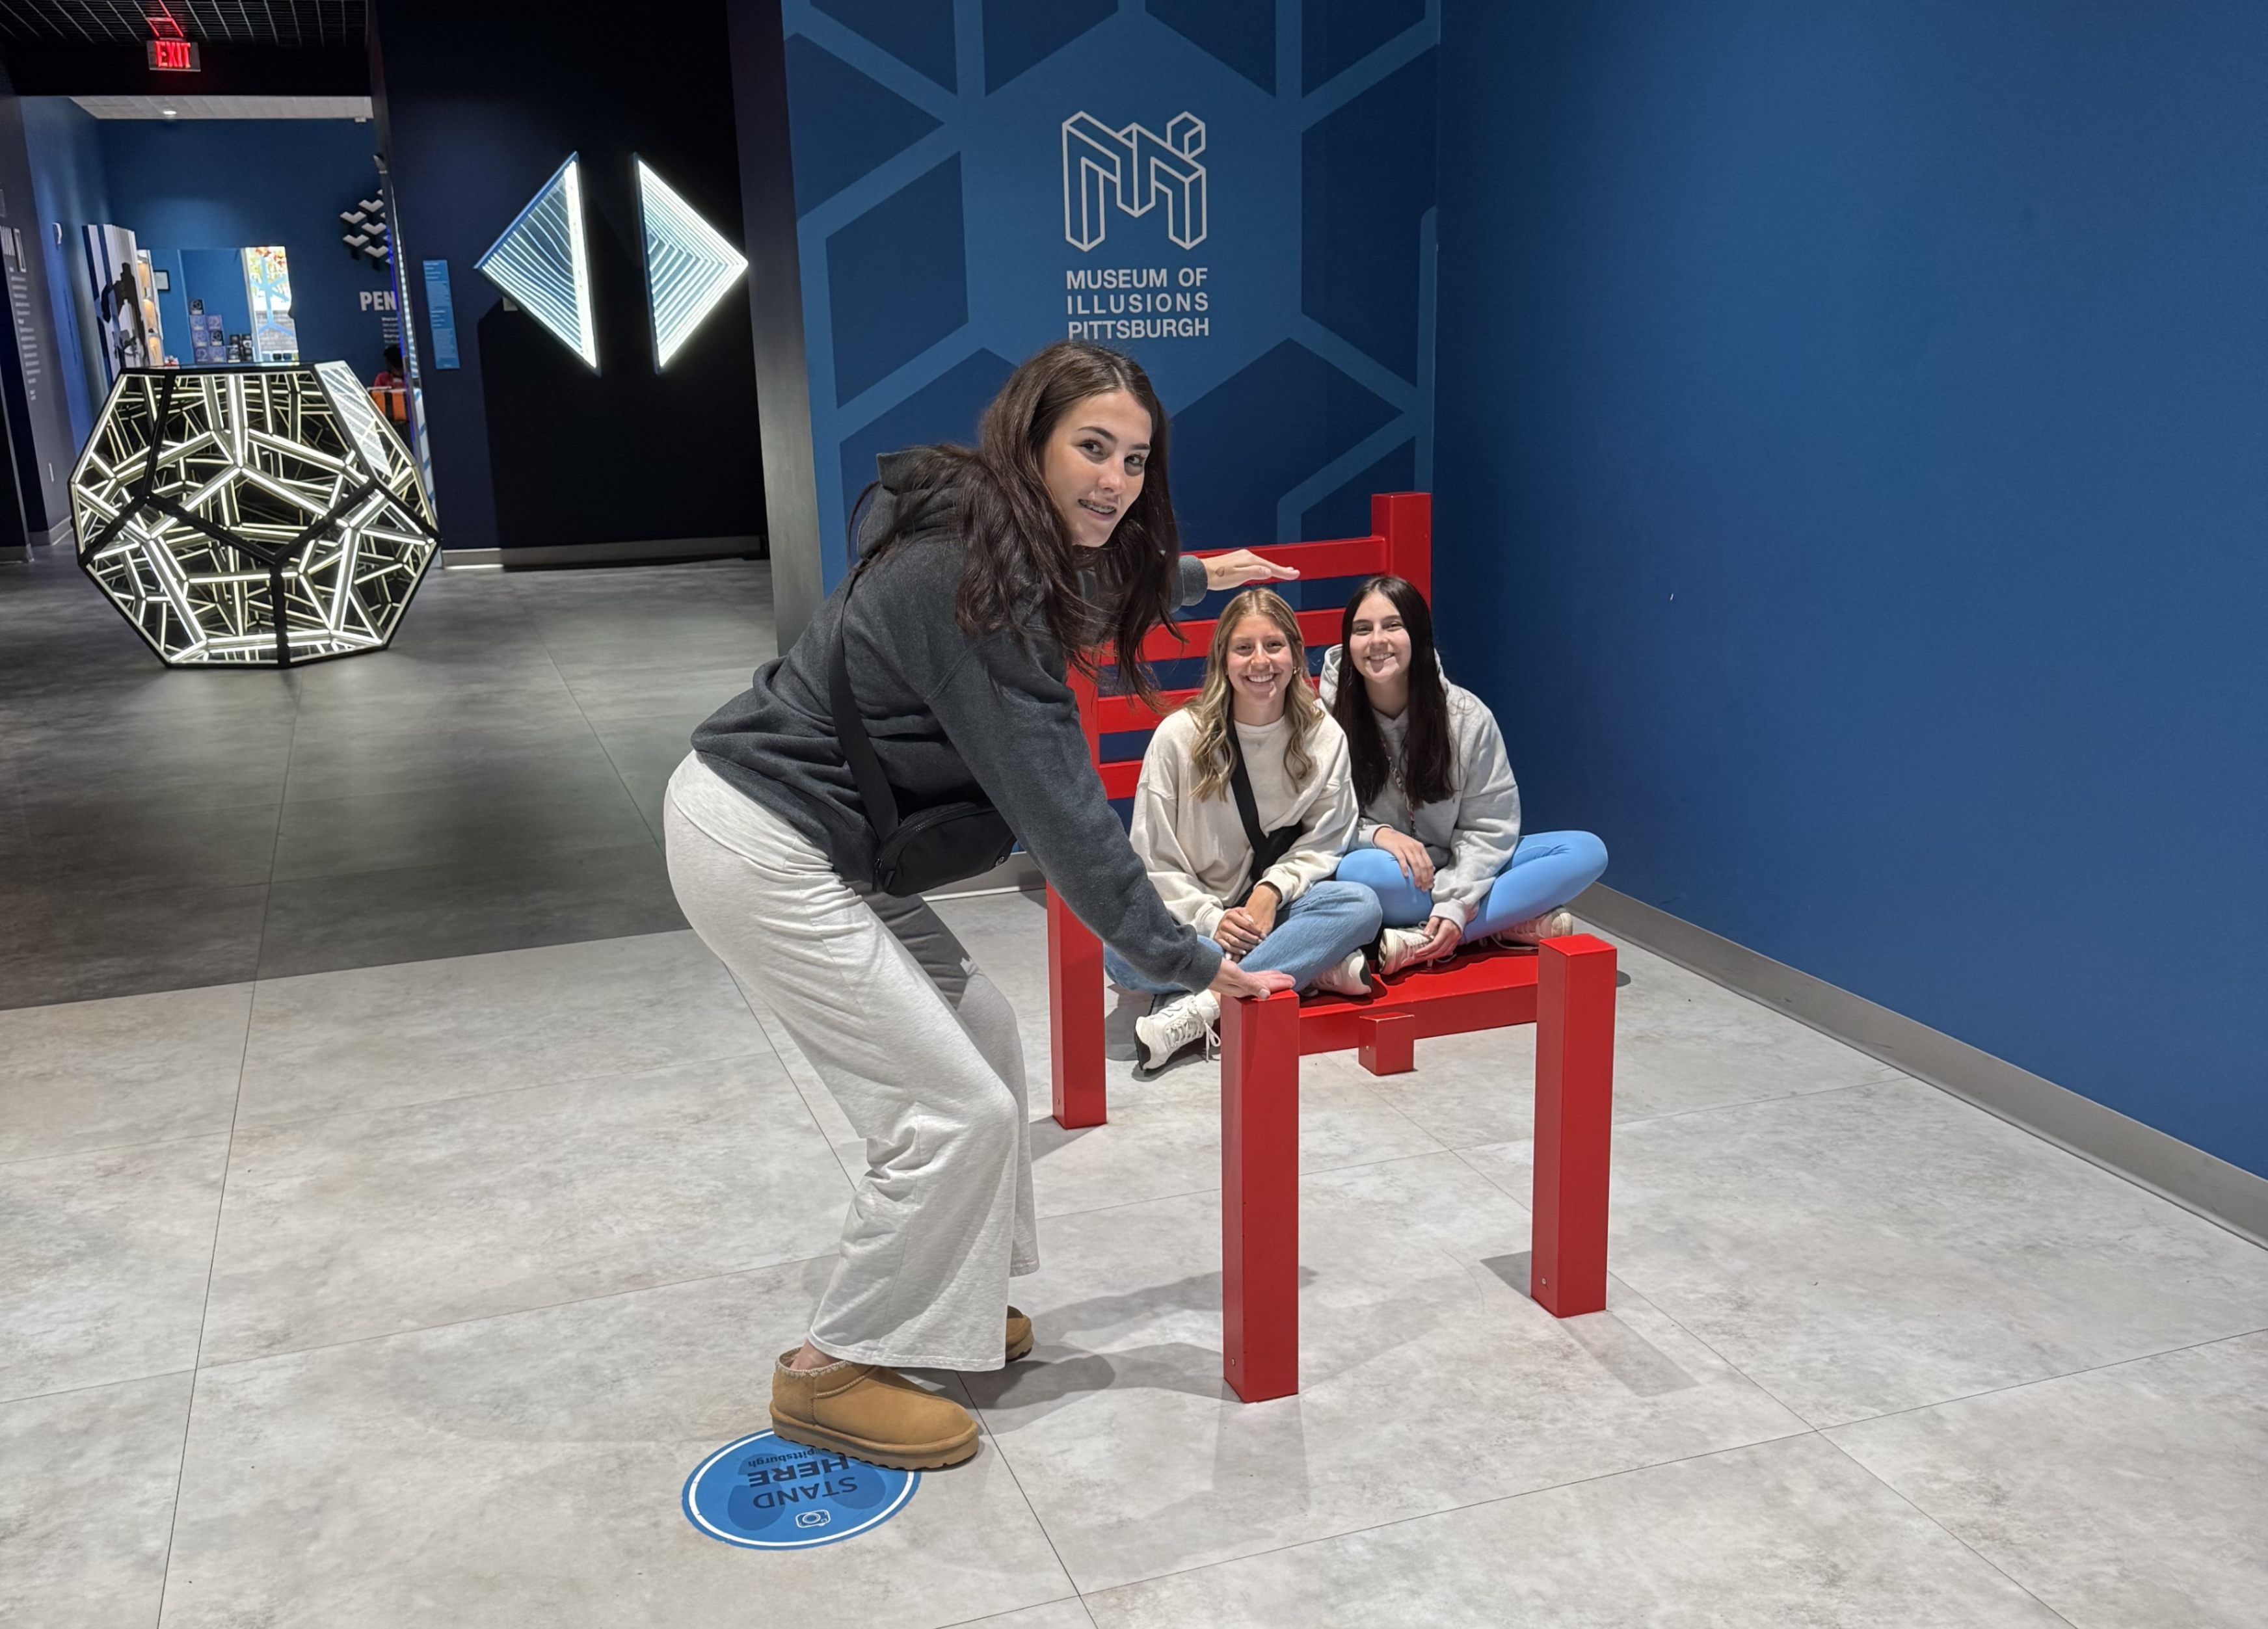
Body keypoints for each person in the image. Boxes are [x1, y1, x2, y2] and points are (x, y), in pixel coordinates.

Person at [666, 341, 1296, 1472]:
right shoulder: (977, 588)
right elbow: (1065, 819)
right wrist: (1191, 960)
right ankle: (837, 1366)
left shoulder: (995, 532)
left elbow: (1093, 577)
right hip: (757, 841)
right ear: (1031, 442)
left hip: (806, 839)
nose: (1114, 482)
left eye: (1135, 461)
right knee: (952, 1110)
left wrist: (1198, 576)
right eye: (1091, 449)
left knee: (988, 1039)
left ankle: (942, 1307)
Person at [1114, 587, 1383, 1073]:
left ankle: (1203, 1005)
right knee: (1120, 955)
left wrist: (1271, 889)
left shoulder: (1323, 735)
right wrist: (1208, 918)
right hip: (1196, 919)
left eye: (1274, 645)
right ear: (1223, 658)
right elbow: (1152, 859)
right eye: (1244, 648)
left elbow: (1328, 837)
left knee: (1360, 904)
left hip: (1270, 912)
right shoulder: (1179, 737)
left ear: (1295, 654)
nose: (1260, 661)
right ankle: (1308, 964)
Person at [1321, 576, 1608, 973]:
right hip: (1396, 876)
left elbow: (1490, 826)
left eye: (1393, 625)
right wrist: (1377, 835)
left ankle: (1431, 936)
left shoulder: (1467, 717)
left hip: (1462, 866)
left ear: (1418, 635)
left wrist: (1457, 900)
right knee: (1359, 874)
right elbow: (1319, 823)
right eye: (1362, 629)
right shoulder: (1325, 722)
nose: (1377, 641)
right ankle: (1503, 919)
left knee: (1585, 851)